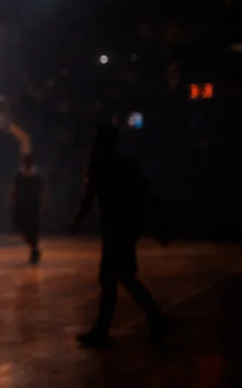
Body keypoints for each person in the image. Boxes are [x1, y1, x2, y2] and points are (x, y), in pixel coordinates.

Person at [70, 124, 169, 348]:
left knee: (114, 276)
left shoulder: (98, 166)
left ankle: (148, 319)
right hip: (129, 225)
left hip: (114, 227)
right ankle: (150, 318)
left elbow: (88, 199)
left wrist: (77, 222)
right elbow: (148, 194)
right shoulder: (128, 164)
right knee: (118, 275)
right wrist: (159, 225)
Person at [9, 153, 47, 265]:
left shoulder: (37, 176)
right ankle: (34, 250)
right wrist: (12, 202)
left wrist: (44, 205)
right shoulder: (19, 175)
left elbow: (43, 191)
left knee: (32, 230)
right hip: (22, 204)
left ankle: (34, 251)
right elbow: (13, 190)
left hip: (33, 205)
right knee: (23, 229)